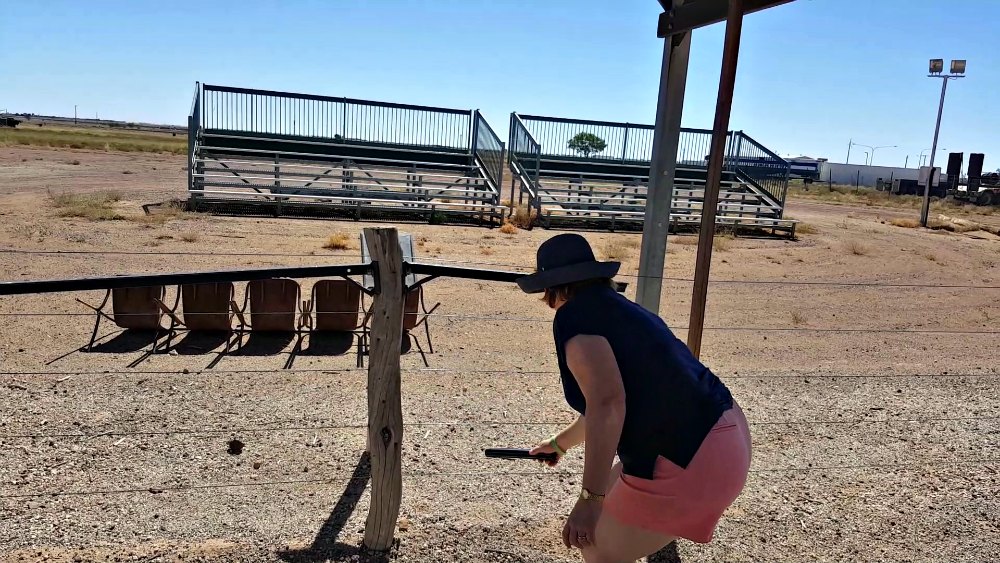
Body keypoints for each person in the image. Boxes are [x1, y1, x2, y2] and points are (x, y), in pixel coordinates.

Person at [518, 233, 751, 563]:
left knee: (596, 546)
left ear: (551, 288)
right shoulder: (623, 310)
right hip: (726, 436)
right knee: (614, 494)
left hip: (691, 457)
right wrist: (559, 444)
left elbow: (608, 404)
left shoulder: (574, 318)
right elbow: (609, 402)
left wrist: (590, 500)